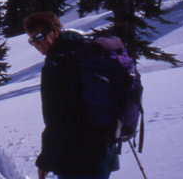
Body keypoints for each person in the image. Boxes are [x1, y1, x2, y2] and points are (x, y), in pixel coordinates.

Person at [23, 11, 119, 179]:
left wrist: (46, 160)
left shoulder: (56, 65)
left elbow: (57, 121)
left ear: (55, 32)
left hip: (76, 161)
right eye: (32, 40)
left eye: (39, 36)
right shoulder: (86, 50)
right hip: (105, 153)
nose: (37, 44)